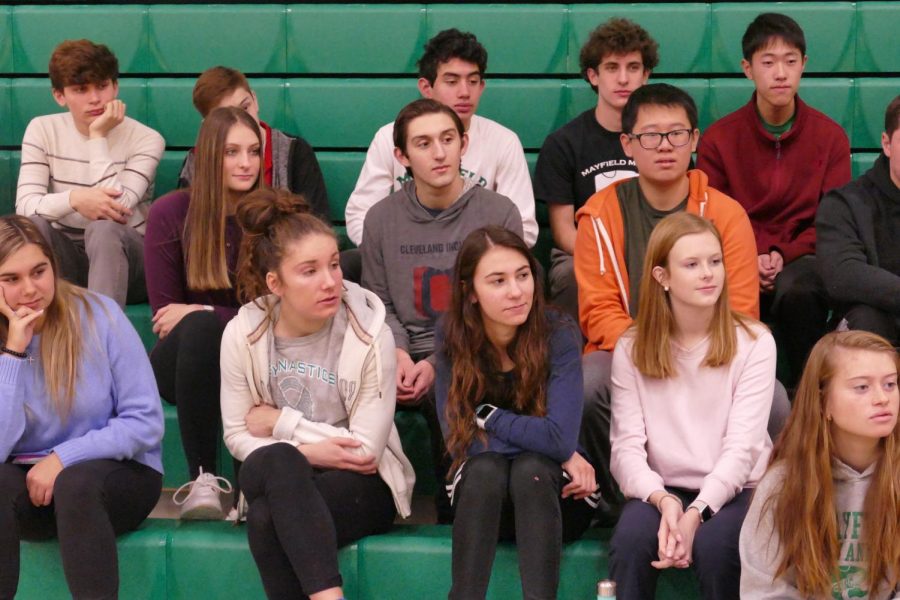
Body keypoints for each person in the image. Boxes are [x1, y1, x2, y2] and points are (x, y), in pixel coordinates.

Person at [573, 83, 761, 514]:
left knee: (775, 398)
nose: (665, 146)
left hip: (714, 348)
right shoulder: (600, 215)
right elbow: (599, 312)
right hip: (633, 351)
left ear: (694, 140)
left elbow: (742, 310)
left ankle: (748, 505)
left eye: (677, 134)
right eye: (650, 136)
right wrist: (655, 348)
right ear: (628, 144)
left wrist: (690, 350)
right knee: (590, 381)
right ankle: (620, 502)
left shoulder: (725, 213)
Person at [219, 188, 414, 600]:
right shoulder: (242, 333)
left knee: (267, 520)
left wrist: (281, 424)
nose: (330, 282)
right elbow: (237, 436)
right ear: (276, 283)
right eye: (309, 271)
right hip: (280, 470)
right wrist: (305, 452)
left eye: (334, 265)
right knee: (279, 464)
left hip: (359, 482)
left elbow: (364, 452)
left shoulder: (368, 330)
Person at [360, 98, 524, 522]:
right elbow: (378, 301)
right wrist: (397, 354)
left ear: (463, 144)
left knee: (446, 386)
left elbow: (503, 309)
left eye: (448, 139)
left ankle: (456, 504)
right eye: (424, 143)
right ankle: (370, 502)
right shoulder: (380, 220)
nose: (439, 152)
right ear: (401, 156)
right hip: (400, 350)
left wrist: (436, 361)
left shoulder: (497, 212)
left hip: (475, 346)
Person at [609, 212, 775, 599]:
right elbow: (625, 449)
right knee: (631, 541)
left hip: (737, 489)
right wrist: (664, 501)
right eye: (692, 264)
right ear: (662, 277)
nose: (708, 274)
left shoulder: (755, 342)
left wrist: (697, 512)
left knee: (716, 548)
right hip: (662, 488)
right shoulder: (631, 347)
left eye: (715, 261)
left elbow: (743, 449)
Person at [0, 215, 163, 599]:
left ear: (54, 267)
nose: (30, 289)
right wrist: (14, 354)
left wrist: (63, 458)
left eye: (39, 272)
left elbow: (145, 422)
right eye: (12, 279)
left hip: (119, 477)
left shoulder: (100, 315)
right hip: (34, 490)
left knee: (76, 483)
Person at [435, 225, 599, 599]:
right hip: (483, 498)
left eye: (523, 275)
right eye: (497, 281)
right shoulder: (451, 335)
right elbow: (460, 440)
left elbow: (559, 436)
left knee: (530, 470)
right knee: (487, 469)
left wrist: (488, 417)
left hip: (558, 499)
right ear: (469, 292)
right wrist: (558, 449)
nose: (516, 291)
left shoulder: (558, 331)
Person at [697, 13, 851, 387]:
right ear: (747, 69)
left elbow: (832, 223)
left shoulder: (830, 137)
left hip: (802, 258)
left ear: (804, 66)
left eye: (790, 61)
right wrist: (749, 254)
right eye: (768, 62)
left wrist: (783, 253)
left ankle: (805, 399)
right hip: (734, 254)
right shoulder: (719, 139)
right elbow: (711, 214)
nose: (780, 73)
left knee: (801, 291)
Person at [144, 106, 262, 519]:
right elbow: (164, 317)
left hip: (252, 359)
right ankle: (203, 480)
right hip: (183, 363)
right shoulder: (170, 213)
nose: (246, 163)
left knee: (212, 326)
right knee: (199, 328)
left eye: (253, 151)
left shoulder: (269, 218)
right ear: (210, 156)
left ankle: (252, 488)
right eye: (232, 152)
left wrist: (207, 308)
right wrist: (208, 315)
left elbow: (276, 316)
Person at [345, 28, 537, 254]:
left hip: (478, 265)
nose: (465, 92)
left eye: (473, 81)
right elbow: (360, 214)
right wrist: (397, 253)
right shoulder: (389, 137)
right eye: (452, 81)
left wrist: (474, 261)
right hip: (405, 255)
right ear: (426, 87)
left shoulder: (503, 141)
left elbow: (524, 227)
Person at [740, 330, 900, 598]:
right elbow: (764, 589)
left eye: (890, 384)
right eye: (862, 387)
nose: (882, 398)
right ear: (823, 401)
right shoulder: (783, 483)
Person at [16, 39, 165, 308]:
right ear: (59, 96)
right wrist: (75, 199)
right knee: (33, 227)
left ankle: (101, 340)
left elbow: (117, 210)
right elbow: (25, 207)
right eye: (81, 89)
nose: (95, 98)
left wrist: (98, 137)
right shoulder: (42, 130)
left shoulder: (147, 139)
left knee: (104, 228)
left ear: (115, 87)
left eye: (102, 86)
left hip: (129, 264)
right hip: (68, 261)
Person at [534, 18, 658, 320]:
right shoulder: (564, 143)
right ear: (593, 75)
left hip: (653, 254)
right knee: (571, 280)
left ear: (646, 75)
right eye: (612, 68)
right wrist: (610, 261)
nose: (623, 79)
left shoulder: (663, 139)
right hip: (584, 254)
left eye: (632, 68)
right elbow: (564, 230)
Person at [177, 65, 330, 222]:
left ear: (255, 100)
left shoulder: (294, 150)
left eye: (245, 107)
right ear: (208, 125)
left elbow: (317, 225)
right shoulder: (196, 160)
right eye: (226, 116)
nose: (241, 119)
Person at [817, 95, 900, 344]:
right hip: (873, 327)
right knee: (867, 318)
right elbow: (842, 273)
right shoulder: (844, 204)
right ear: (886, 144)